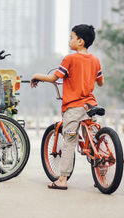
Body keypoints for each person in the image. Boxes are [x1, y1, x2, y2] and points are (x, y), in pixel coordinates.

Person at [30, 24, 104, 190]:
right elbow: (101, 82)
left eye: (72, 37)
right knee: (94, 141)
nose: (69, 40)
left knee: (69, 140)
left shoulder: (70, 59)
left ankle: (62, 179)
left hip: (74, 108)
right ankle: (102, 176)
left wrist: (36, 76)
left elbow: (53, 77)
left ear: (80, 41)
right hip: (90, 105)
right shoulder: (95, 60)